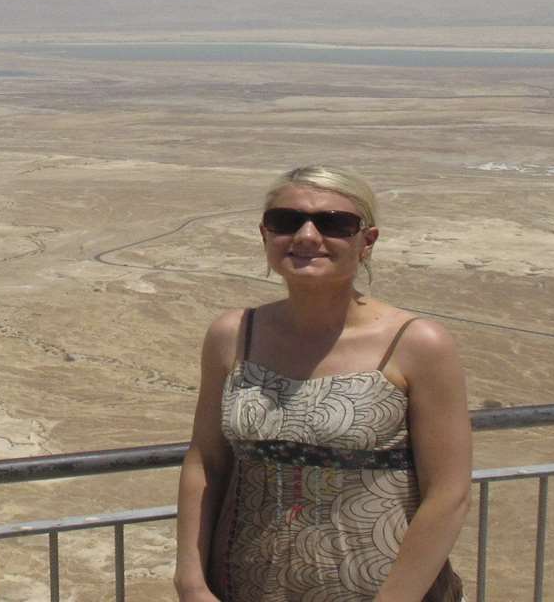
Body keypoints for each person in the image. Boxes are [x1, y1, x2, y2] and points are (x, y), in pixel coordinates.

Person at [175, 166, 471, 602]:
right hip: (245, 586)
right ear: (264, 234)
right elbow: (207, 462)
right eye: (286, 221)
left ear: (366, 241)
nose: (307, 236)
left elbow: (449, 493)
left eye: (333, 223)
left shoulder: (416, 344)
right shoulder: (234, 335)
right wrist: (191, 581)